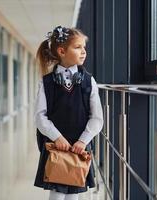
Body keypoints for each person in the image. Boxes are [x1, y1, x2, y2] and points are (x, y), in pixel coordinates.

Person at [33, 25, 103, 200]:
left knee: (74, 194)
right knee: (56, 194)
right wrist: (56, 137)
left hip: (79, 147)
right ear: (62, 51)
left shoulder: (89, 81)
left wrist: (83, 140)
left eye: (84, 47)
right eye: (78, 47)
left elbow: (97, 118)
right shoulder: (46, 82)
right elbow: (40, 116)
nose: (83, 52)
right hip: (56, 146)